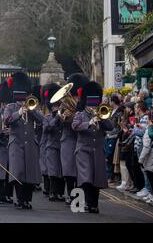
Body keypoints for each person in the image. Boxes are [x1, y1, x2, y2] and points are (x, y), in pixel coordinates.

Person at [71, 81, 113, 213]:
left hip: (98, 150)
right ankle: (86, 201)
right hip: (83, 150)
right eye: (90, 103)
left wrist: (101, 118)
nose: (92, 106)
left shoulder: (102, 113)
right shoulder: (80, 114)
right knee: (87, 177)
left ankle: (93, 204)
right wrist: (89, 123)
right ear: (86, 102)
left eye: (95, 103)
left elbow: (111, 127)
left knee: (97, 179)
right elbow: (75, 126)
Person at [4, 72, 44, 210]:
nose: (22, 100)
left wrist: (31, 110)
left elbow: (42, 120)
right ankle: (20, 199)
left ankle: (27, 199)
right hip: (16, 143)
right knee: (18, 172)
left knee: (30, 173)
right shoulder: (10, 107)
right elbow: (7, 120)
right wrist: (19, 112)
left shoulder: (32, 106)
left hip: (30, 144)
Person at [60, 73, 89, 205]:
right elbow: (64, 121)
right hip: (69, 140)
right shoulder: (65, 103)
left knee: (81, 171)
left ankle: (81, 197)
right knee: (69, 171)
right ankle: (72, 196)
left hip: (82, 140)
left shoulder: (86, 102)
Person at [42, 83, 65, 202]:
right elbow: (46, 129)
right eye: (54, 106)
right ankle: (52, 192)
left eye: (58, 106)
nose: (56, 108)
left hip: (62, 146)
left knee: (61, 170)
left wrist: (62, 117)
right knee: (52, 171)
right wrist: (56, 118)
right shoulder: (47, 117)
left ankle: (60, 193)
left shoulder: (63, 116)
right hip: (51, 146)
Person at [105, 95, 124, 186]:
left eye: (110, 101)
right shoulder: (110, 111)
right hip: (107, 136)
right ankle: (109, 176)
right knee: (107, 157)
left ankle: (112, 177)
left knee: (110, 156)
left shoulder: (119, 112)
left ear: (113, 102)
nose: (109, 103)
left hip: (113, 136)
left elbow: (120, 126)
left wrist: (115, 135)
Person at [139, 118, 153, 204]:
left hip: (151, 157)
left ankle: (152, 195)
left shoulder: (150, 129)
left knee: (151, 178)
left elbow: (146, 146)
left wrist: (140, 160)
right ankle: (151, 195)